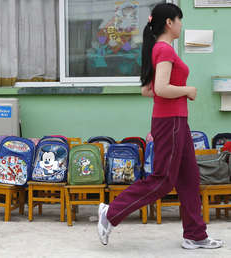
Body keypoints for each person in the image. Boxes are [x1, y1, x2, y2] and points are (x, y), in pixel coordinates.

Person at [97, 3, 223, 250]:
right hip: (171, 121)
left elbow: (147, 90)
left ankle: (195, 235)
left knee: (189, 178)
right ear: (169, 23)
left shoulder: (158, 49)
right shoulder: (164, 50)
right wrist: (188, 90)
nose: (181, 24)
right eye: (179, 20)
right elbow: (162, 89)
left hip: (176, 121)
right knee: (163, 179)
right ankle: (111, 213)